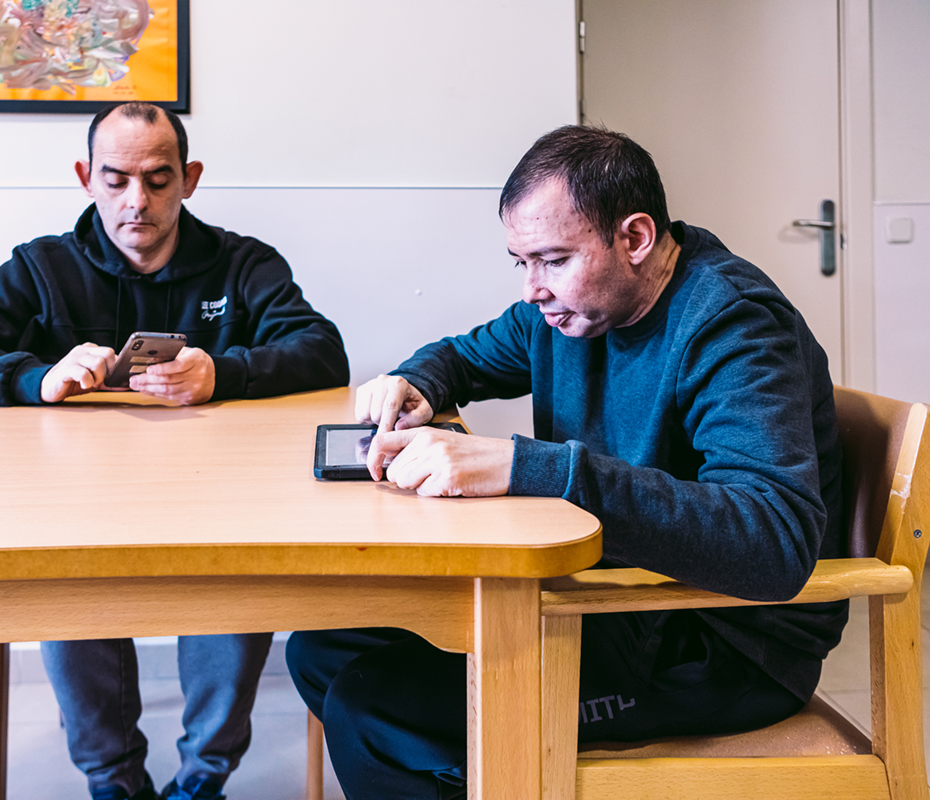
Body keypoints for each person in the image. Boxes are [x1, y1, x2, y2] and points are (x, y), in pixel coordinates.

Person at [285, 126, 848, 800]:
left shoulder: (733, 326)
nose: (531, 289)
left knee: (373, 709)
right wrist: (414, 382)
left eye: (551, 260)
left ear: (635, 238)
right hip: (616, 600)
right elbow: (465, 355)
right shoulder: (573, 310)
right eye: (519, 261)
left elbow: (774, 541)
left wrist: (528, 468)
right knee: (321, 651)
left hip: (718, 643)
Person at [0, 102, 349, 800]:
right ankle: (113, 784)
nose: (136, 201)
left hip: (216, 497)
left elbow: (324, 353)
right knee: (67, 579)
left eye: (158, 179)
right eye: (115, 179)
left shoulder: (244, 264)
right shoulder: (42, 266)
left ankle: (202, 781)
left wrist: (222, 372)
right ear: (85, 177)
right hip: (77, 503)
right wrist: (34, 377)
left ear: (190, 179)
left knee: (239, 571)